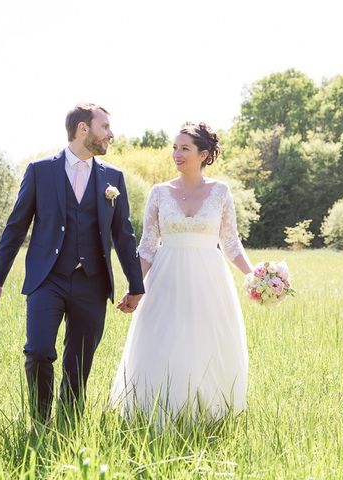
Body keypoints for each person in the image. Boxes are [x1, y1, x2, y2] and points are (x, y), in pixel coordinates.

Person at [0, 103, 145, 427]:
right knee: (39, 351)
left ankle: (67, 430)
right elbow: (16, 227)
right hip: (48, 279)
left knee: (78, 365)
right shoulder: (40, 171)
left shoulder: (113, 178)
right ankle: (41, 423)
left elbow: (123, 236)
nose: (110, 134)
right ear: (83, 129)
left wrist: (136, 286)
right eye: (104, 127)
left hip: (93, 283)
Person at [110, 122, 253, 420]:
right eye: (175, 147)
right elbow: (148, 246)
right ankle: (157, 410)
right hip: (167, 277)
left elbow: (231, 244)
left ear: (204, 154)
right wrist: (135, 287)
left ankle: (207, 411)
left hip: (209, 279)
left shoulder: (221, 192)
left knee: (204, 341)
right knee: (164, 340)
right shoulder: (159, 193)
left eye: (185, 148)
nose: (177, 154)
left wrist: (254, 275)